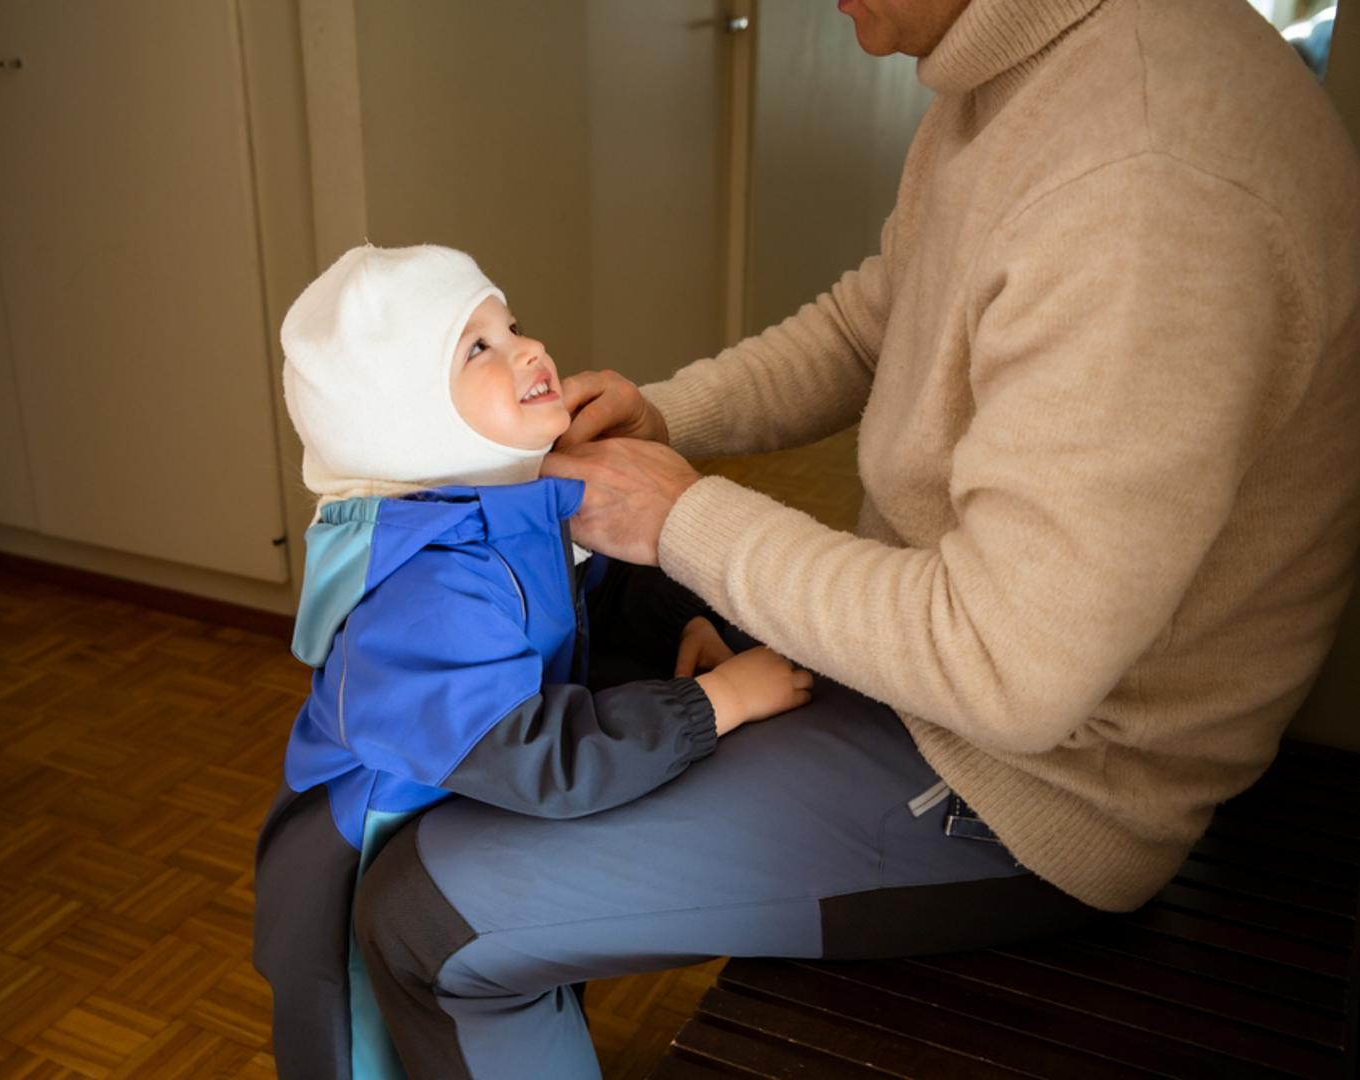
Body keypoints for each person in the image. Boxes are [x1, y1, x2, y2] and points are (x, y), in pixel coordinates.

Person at [351, 0, 1360, 1077]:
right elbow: (874, 323)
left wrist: (681, 516)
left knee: (423, 919)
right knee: (622, 635)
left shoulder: (1146, 185)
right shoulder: (1020, 67)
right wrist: (667, 418)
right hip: (951, 672)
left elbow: (1010, 670)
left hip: (1044, 782)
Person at [250, 243, 813, 1078]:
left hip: (463, 825)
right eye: (476, 346)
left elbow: (584, 607)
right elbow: (540, 756)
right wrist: (715, 703)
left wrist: (681, 626)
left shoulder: (508, 505)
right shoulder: (429, 592)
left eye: (511, 324)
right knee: (377, 1055)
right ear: (401, 418)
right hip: (360, 877)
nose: (528, 349)